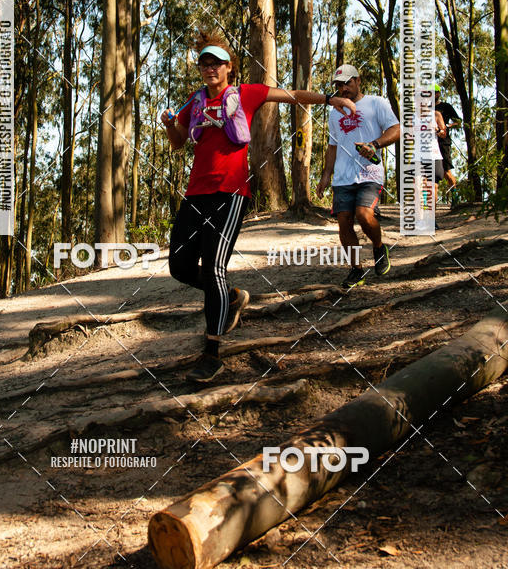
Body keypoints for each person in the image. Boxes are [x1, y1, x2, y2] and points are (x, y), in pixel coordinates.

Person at [161, 31, 356, 383]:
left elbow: (292, 95)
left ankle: (212, 353)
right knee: (179, 265)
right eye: (204, 63)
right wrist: (170, 125)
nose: (209, 68)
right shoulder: (194, 101)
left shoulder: (246, 93)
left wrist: (330, 99)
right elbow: (178, 144)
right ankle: (233, 297)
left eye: (216, 63)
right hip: (195, 194)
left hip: (231, 193)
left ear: (229, 68)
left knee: (214, 266)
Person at [316, 64, 400, 289]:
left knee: (364, 214)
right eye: (339, 85)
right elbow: (332, 147)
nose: (343, 88)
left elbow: (396, 129)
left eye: (347, 83)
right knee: (343, 222)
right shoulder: (335, 113)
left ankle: (379, 247)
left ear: (358, 81)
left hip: (369, 173)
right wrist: (326, 176)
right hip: (342, 178)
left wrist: (375, 144)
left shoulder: (376, 103)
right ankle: (356, 270)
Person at [434, 85, 462, 195]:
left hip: (443, 142)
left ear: (438, 93)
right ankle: (426, 203)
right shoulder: (426, 108)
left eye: (435, 92)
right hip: (428, 143)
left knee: (446, 171)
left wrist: (447, 126)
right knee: (426, 174)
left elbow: (458, 121)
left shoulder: (446, 106)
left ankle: (455, 196)